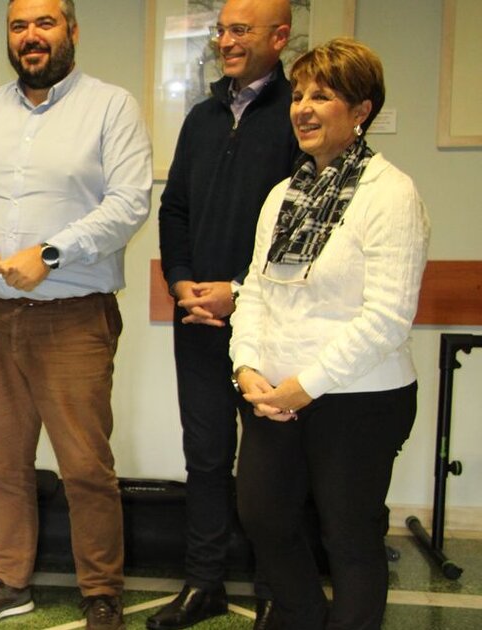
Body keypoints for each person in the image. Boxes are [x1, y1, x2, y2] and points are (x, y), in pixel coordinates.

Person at [0, 0, 152, 628]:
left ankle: (101, 590)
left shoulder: (111, 107)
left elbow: (129, 202)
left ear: (72, 31)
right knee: (1, 461)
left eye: (44, 23)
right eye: (18, 26)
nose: (30, 36)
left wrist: (51, 253)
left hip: (73, 318)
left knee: (85, 465)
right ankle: (9, 580)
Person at [230, 38, 429, 630]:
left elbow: (387, 317)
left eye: (322, 96)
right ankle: (302, 617)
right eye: (298, 96)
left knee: (349, 535)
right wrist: (246, 367)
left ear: (361, 110)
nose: (303, 109)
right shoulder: (282, 195)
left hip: (359, 398)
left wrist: (306, 385)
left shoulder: (390, 194)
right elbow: (256, 291)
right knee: (263, 516)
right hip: (273, 394)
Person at [151, 0, 300, 627]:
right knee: (206, 457)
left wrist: (237, 290)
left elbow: (298, 229)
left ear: (280, 37)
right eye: (221, 31)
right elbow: (175, 210)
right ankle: (204, 583)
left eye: (241, 30)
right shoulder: (202, 118)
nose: (226, 42)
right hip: (198, 323)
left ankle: (275, 590)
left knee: (271, 466)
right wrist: (182, 282)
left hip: (270, 325)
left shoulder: (298, 115)